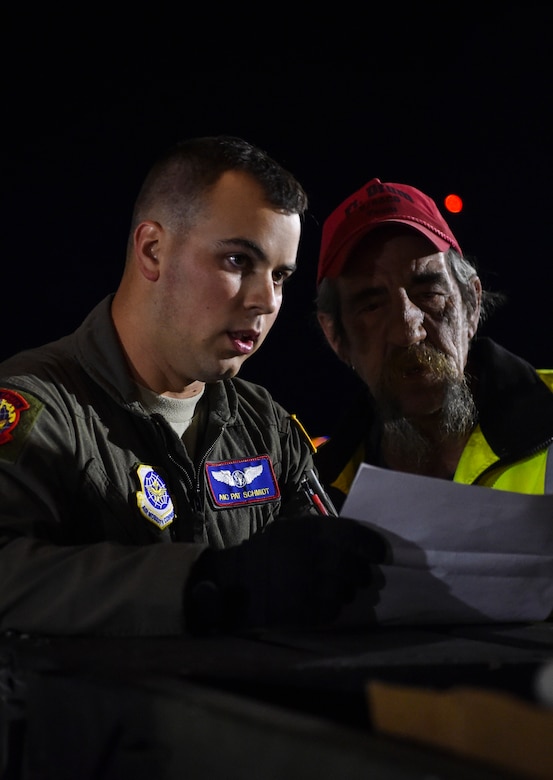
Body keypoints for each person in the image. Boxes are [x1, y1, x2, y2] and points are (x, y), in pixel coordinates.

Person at [0, 136, 385, 637]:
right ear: (153, 251)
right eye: (237, 262)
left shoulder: (266, 428)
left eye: (281, 276)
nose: (265, 300)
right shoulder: (37, 409)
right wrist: (200, 584)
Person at [314, 177, 553, 511]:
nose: (408, 333)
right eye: (371, 307)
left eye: (429, 294)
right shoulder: (315, 492)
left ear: (472, 304)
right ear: (335, 337)